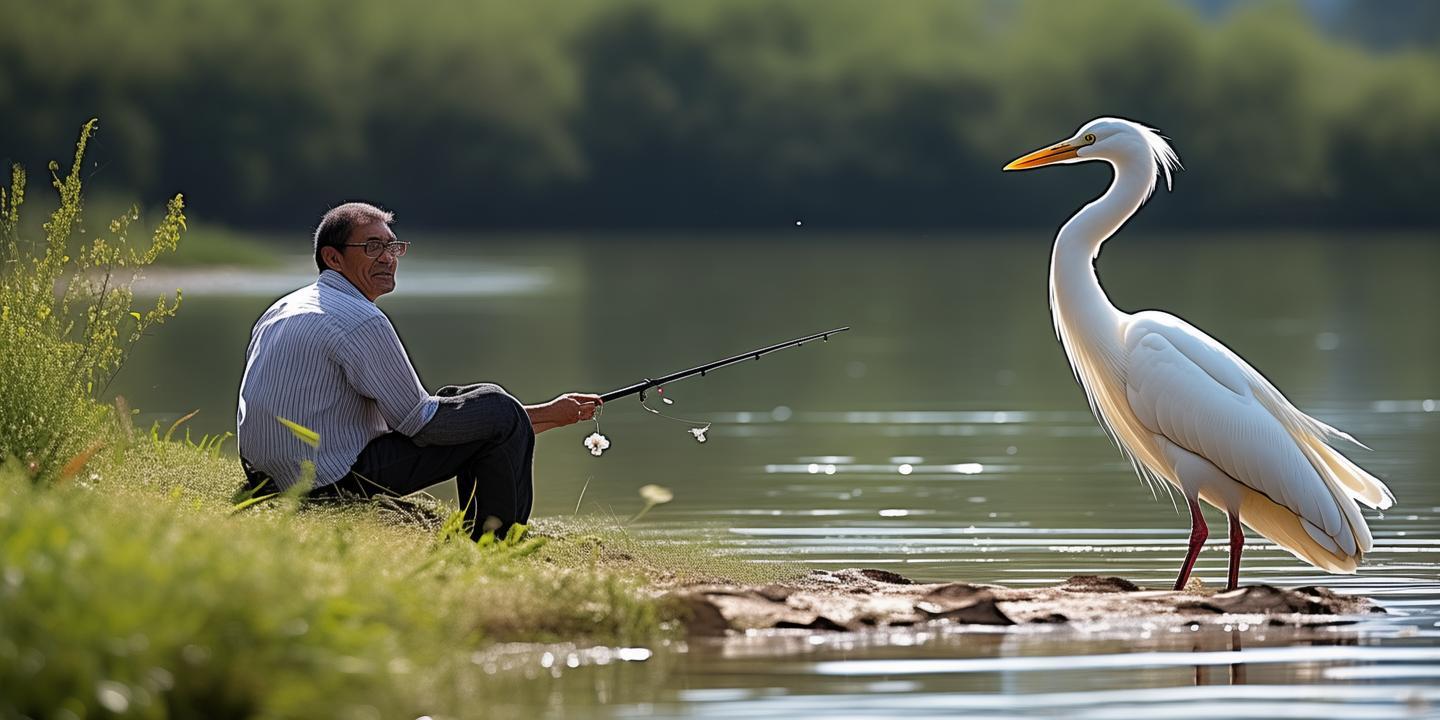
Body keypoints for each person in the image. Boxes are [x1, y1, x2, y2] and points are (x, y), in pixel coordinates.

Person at [236, 201, 599, 539]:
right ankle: (495, 542)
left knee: (461, 401)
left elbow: (412, 415)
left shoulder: (285, 306)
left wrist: (544, 416)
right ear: (333, 257)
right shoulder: (361, 320)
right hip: (323, 484)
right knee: (496, 407)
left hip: (266, 477)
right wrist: (522, 416)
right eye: (372, 247)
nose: (388, 258)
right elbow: (419, 423)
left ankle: (489, 532)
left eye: (393, 247)